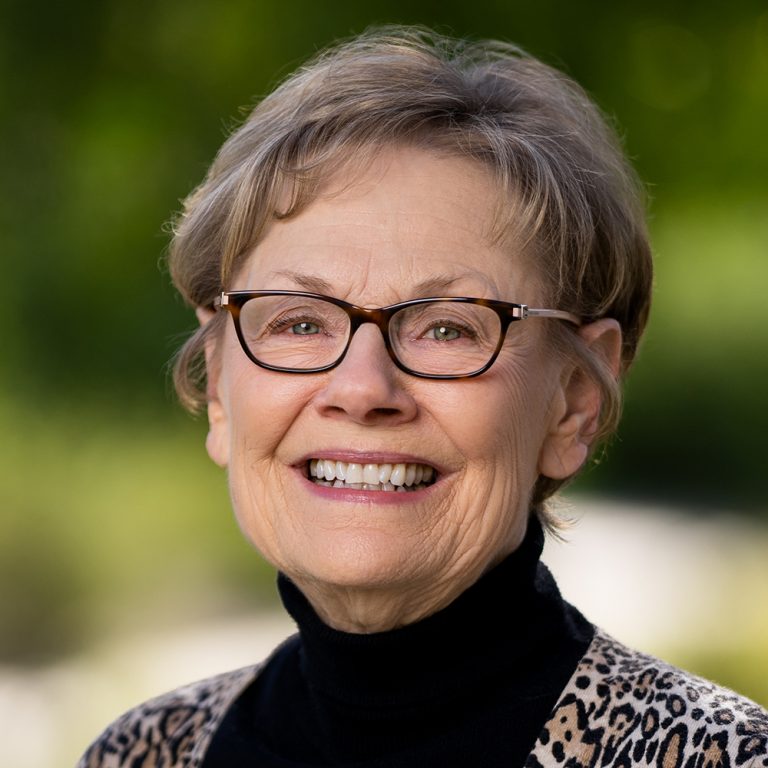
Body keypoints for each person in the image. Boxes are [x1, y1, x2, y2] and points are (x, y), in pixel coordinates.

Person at [78, 25, 768, 768]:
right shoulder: (145, 753)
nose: (362, 389)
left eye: (447, 328)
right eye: (299, 322)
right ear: (219, 383)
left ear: (572, 401)